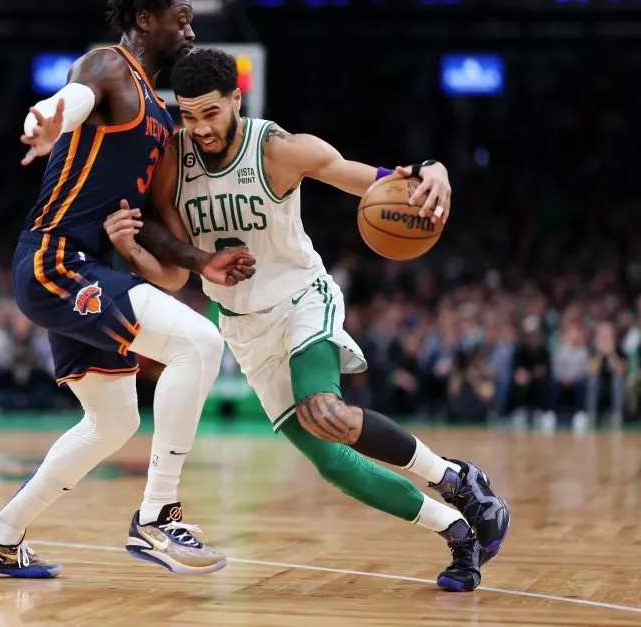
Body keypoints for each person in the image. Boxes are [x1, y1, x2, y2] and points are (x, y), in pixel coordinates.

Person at [103, 48, 511, 592]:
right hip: (243, 327)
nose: (199, 127)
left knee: (328, 412)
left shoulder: (278, 150)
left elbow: (375, 180)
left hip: (301, 300)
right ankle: (459, 529)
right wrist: (132, 250)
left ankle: (456, 479)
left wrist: (429, 171)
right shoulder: (173, 163)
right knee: (334, 462)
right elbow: (178, 277)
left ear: (236, 101)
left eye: (211, 113)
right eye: (189, 115)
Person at [0, 0, 255, 579]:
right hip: (53, 259)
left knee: (115, 419)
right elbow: (73, 96)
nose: (191, 32)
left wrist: (205, 263)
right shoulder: (110, 68)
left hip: (82, 269)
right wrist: (46, 118)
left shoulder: (165, 123)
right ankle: (158, 518)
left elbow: (157, 225)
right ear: (146, 20)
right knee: (201, 343)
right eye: (182, 19)